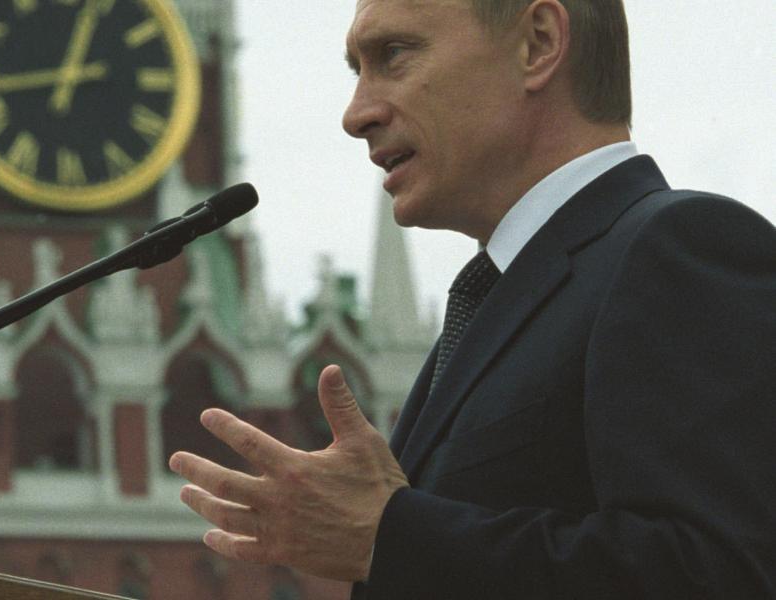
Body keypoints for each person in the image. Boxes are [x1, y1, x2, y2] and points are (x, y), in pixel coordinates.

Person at [167, 0, 776, 598]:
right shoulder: (496, 300)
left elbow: (721, 571)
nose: (356, 114)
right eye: (358, 69)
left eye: (394, 54)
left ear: (538, 43)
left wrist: (389, 536)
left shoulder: (677, 247)